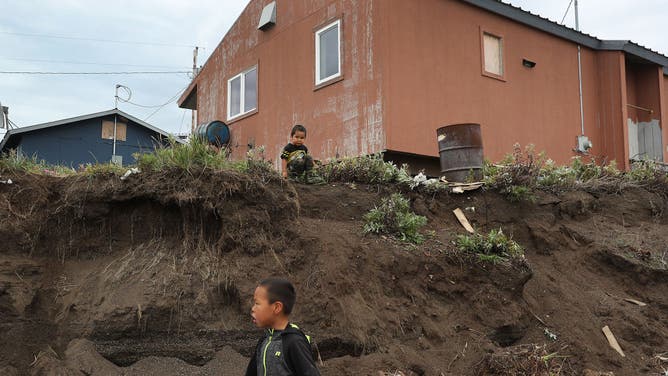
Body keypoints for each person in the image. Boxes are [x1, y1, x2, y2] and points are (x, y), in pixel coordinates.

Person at [245, 278, 320, 376]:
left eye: (257, 303)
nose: (253, 309)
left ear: (277, 308)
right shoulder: (264, 341)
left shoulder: (294, 342)